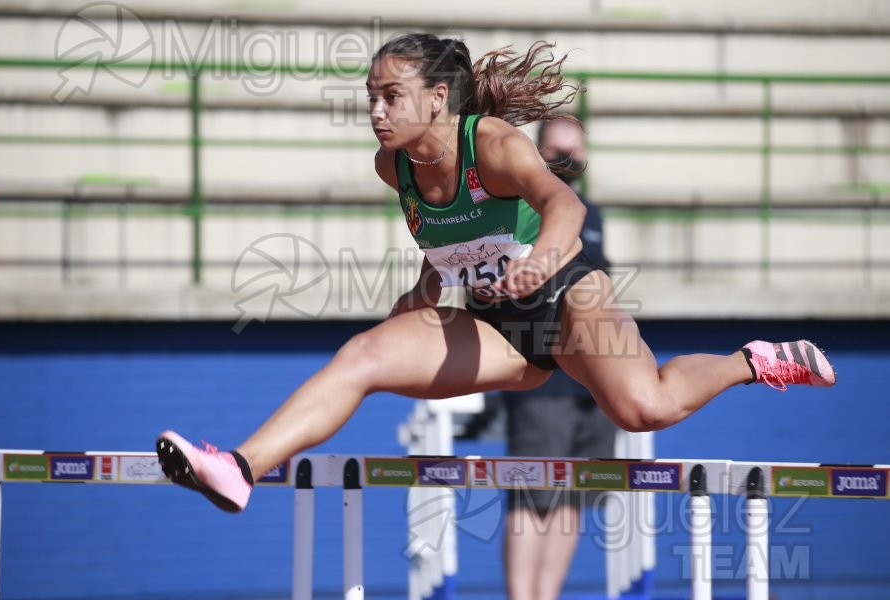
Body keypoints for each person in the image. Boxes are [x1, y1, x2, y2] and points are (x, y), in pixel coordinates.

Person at [155, 34, 835, 515]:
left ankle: (754, 360)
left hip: (569, 297)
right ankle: (240, 468)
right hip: (492, 324)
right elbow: (449, 243)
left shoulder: (495, 145)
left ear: (438, 97)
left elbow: (563, 202)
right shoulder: (392, 168)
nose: (375, 113)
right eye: (370, 98)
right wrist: (418, 298)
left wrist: (541, 260)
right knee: (361, 355)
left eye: (391, 97)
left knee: (644, 406)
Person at [502, 117, 618, 600]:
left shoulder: (592, 214)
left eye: (574, 152)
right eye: (556, 151)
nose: (566, 161)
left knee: (574, 494)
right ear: (537, 152)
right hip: (542, 376)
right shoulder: (519, 209)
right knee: (533, 495)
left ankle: (546, 596)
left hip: (592, 379)